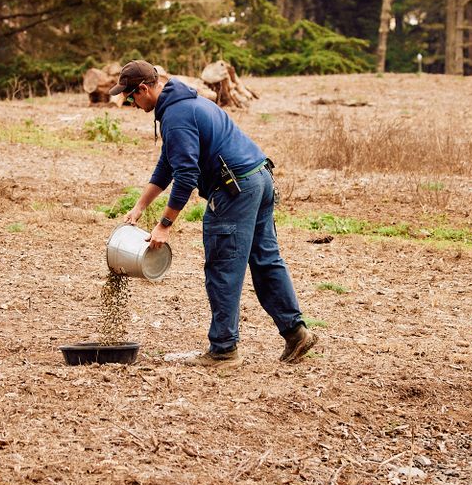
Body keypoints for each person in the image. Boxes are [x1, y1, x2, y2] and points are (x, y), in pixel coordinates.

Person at [110, 59, 317, 369]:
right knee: (265, 260)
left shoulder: (176, 116)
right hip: (259, 178)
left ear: (144, 89)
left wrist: (165, 224)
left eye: (130, 97)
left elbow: (186, 175)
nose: (130, 103)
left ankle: (223, 349)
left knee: (223, 267)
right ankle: (296, 333)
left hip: (234, 190)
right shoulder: (183, 104)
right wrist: (140, 207)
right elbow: (168, 165)